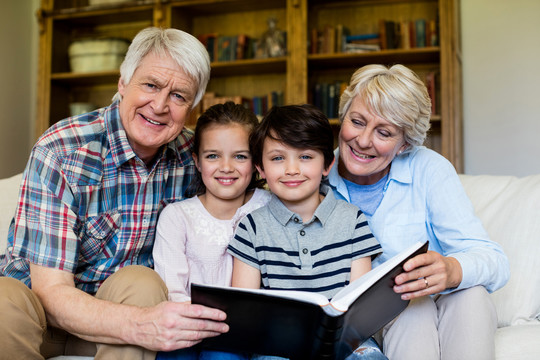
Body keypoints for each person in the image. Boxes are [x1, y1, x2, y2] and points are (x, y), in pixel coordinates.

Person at [0, 27, 230, 359]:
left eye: (179, 96)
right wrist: (140, 324)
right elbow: (50, 293)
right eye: (150, 85)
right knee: (2, 299)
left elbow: (262, 177)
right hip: (37, 315)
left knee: (144, 281)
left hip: (116, 318)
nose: (160, 105)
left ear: (192, 107)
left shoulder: (195, 157)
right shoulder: (62, 150)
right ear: (122, 83)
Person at [326, 64, 510, 359]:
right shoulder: (312, 174)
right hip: (370, 313)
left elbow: (495, 261)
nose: (362, 141)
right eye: (357, 121)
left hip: (437, 303)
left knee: (472, 297)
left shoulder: (430, 168)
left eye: (383, 132)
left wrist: (452, 270)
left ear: (404, 144)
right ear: (342, 117)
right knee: (412, 307)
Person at [228, 104, 387, 360]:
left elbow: (359, 304)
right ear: (260, 168)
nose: (292, 169)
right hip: (278, 342)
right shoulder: (252, 228)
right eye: (278, 158)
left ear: (327, 164)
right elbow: (246, 310)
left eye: (305, 157)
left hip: (345, 339)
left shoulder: (351, 219)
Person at [153, 101, 271, 360]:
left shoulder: (269, 207)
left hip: (244, 332)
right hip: (186, 326)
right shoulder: (177, 217)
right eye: (213, 156)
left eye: (240, 156)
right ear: (197, 161)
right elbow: (172, 291)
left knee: (222, 356)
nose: (226, 167)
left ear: (255, 162)